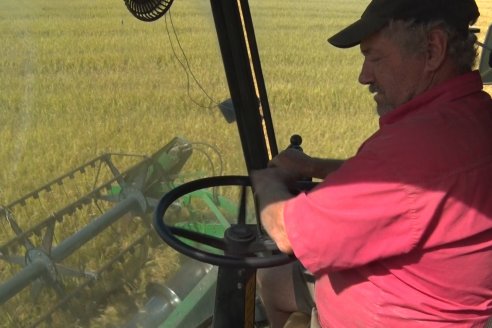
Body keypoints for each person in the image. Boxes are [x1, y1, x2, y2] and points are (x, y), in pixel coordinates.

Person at [251, 0, 492, 327]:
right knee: (277, 278)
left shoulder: (414, 151)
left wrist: (266, 181)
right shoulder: (473, 116)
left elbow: (287, 232)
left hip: (391, 315)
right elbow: (414, 194)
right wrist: (313, 167)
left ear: (433, 50)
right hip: (434, 305)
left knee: (269, 270)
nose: (364, 77)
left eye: (374, 57)